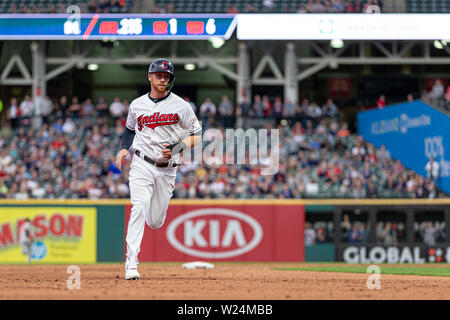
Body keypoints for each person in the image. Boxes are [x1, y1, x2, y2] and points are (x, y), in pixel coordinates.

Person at [115, 58, 201, 280]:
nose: (163, 79)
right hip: (141, 163)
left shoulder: (181, 106)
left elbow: (196, 136)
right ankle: (131, 265)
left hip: (167, 169)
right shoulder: (136, 105)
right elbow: (129, 130)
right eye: (159, 75)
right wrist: (124, 149)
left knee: (155, 221)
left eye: (166, 76)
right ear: (150, 77)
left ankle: (147, 222)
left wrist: (177, 148)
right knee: (139, 207)